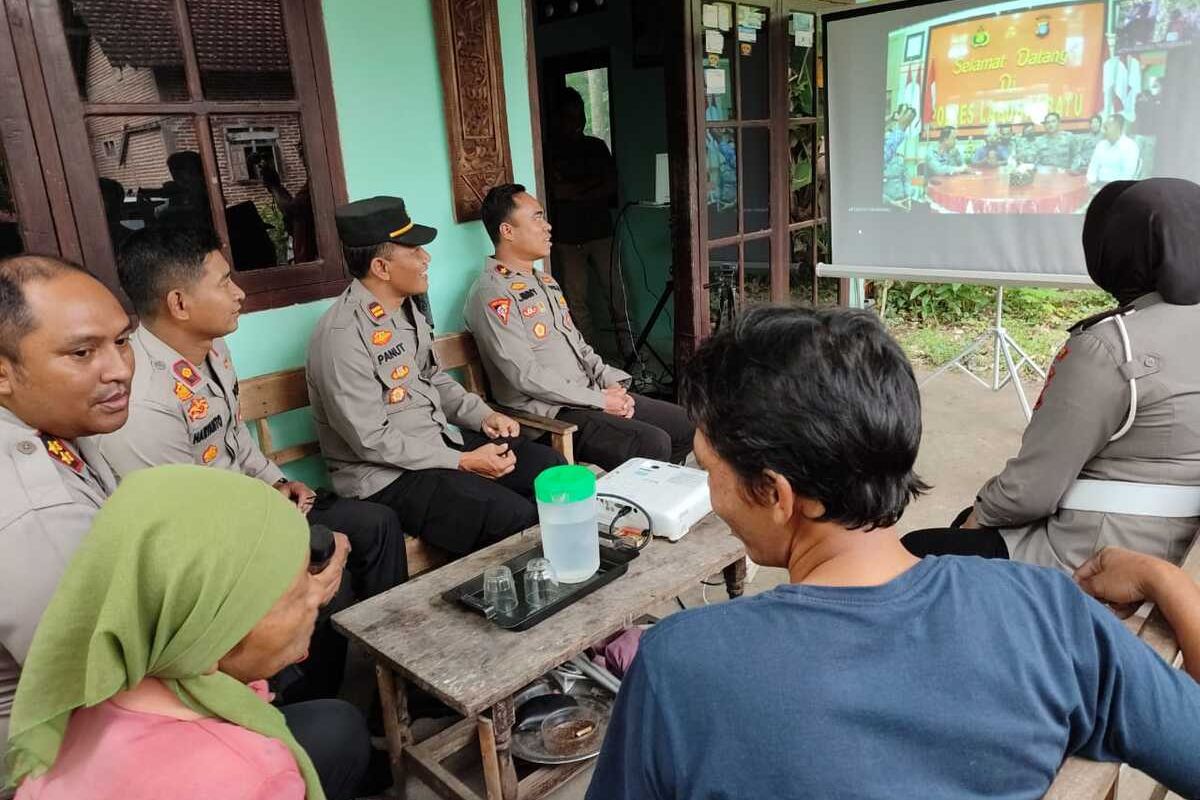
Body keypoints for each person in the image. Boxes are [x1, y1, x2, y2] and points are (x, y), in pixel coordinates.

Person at [585, 305, 1200, 799]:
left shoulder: (681, 666)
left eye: (708, 466)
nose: (710, 490)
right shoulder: (1045, 611)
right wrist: (1166, 581)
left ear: (775, 493)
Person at [98, 225, 404, 701]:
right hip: (215, 546)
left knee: (376, 525)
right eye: (223, 283)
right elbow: (188, 516)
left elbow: (234, 439)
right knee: (319, 565)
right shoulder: (142, 395)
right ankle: (317, 708)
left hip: (258, 508)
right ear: (179, 303)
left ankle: (394, 676)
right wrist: (280, 521)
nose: (238, 293)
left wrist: (281, 480)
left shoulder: (212, 349)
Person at [5, 466, 373, 800]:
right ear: (210, 636)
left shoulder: (81, 707)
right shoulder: (255, 776)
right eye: (297, 595)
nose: (317, 599)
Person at [903, 179, 1200, 571]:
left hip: (1091, 553)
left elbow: (1031, 490)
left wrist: (975, 519)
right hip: (1170, 544)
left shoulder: (1111, 346)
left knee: (914, 552)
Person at [307, 196, 565, 556]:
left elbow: (434, 378)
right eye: (414, 251)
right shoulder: (341, 336)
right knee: (509, 515)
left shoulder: (406, 310)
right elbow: (369, 439)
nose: (426, 259)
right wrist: (462, 461)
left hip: (438, 445)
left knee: (548, 469)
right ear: (381, 267)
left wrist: (483, 415)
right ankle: (512, 597)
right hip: (387, 475)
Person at [0, 256, 132, 793]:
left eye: (121, 341)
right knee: (325, 736)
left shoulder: (50, 428)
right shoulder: (35, 505)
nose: (119, 368)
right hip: (52, 761)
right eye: (82, 352)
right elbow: (105, 683)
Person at [467, 184, 694, 472]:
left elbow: (579, 345)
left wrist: (611, 382)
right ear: (507, 231)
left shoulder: (544, 282)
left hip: (587, 395)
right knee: (652, 443)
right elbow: (523, 375)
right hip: (551, 413)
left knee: (685, 424)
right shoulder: (492, 293)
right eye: (537, 218)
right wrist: (599, 400)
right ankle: (637, 501)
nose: (548, 226)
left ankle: (645, 495)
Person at [546, 88, 634, 363]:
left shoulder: (596, 146)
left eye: (579, 114)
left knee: (617, 295)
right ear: (559, 118)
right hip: (567, 238)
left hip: (600, 233)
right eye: (569, 115)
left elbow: (609, 187)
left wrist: (575, 191)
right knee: (576, 302)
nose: (576, 121)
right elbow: (556, 191)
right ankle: (592, 360)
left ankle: (631, 353)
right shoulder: (548, 150)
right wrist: (588, 188)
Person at [1087, 114, 1140, 186]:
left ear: (1118, 129)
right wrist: (1090, 183)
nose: (1104, 131)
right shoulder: (1101, 145)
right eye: (1104, 127)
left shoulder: (1130, 147)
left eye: (1107, 128)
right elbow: (1093, 167)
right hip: (1098, 185)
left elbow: (1127, 176)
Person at [882, 105, 915, 204]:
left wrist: (909, 196)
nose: (907, 118)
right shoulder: (889, 138)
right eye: (904, 114)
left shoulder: (901, 140)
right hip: (887, 202)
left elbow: (905, 176)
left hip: (901, 199)